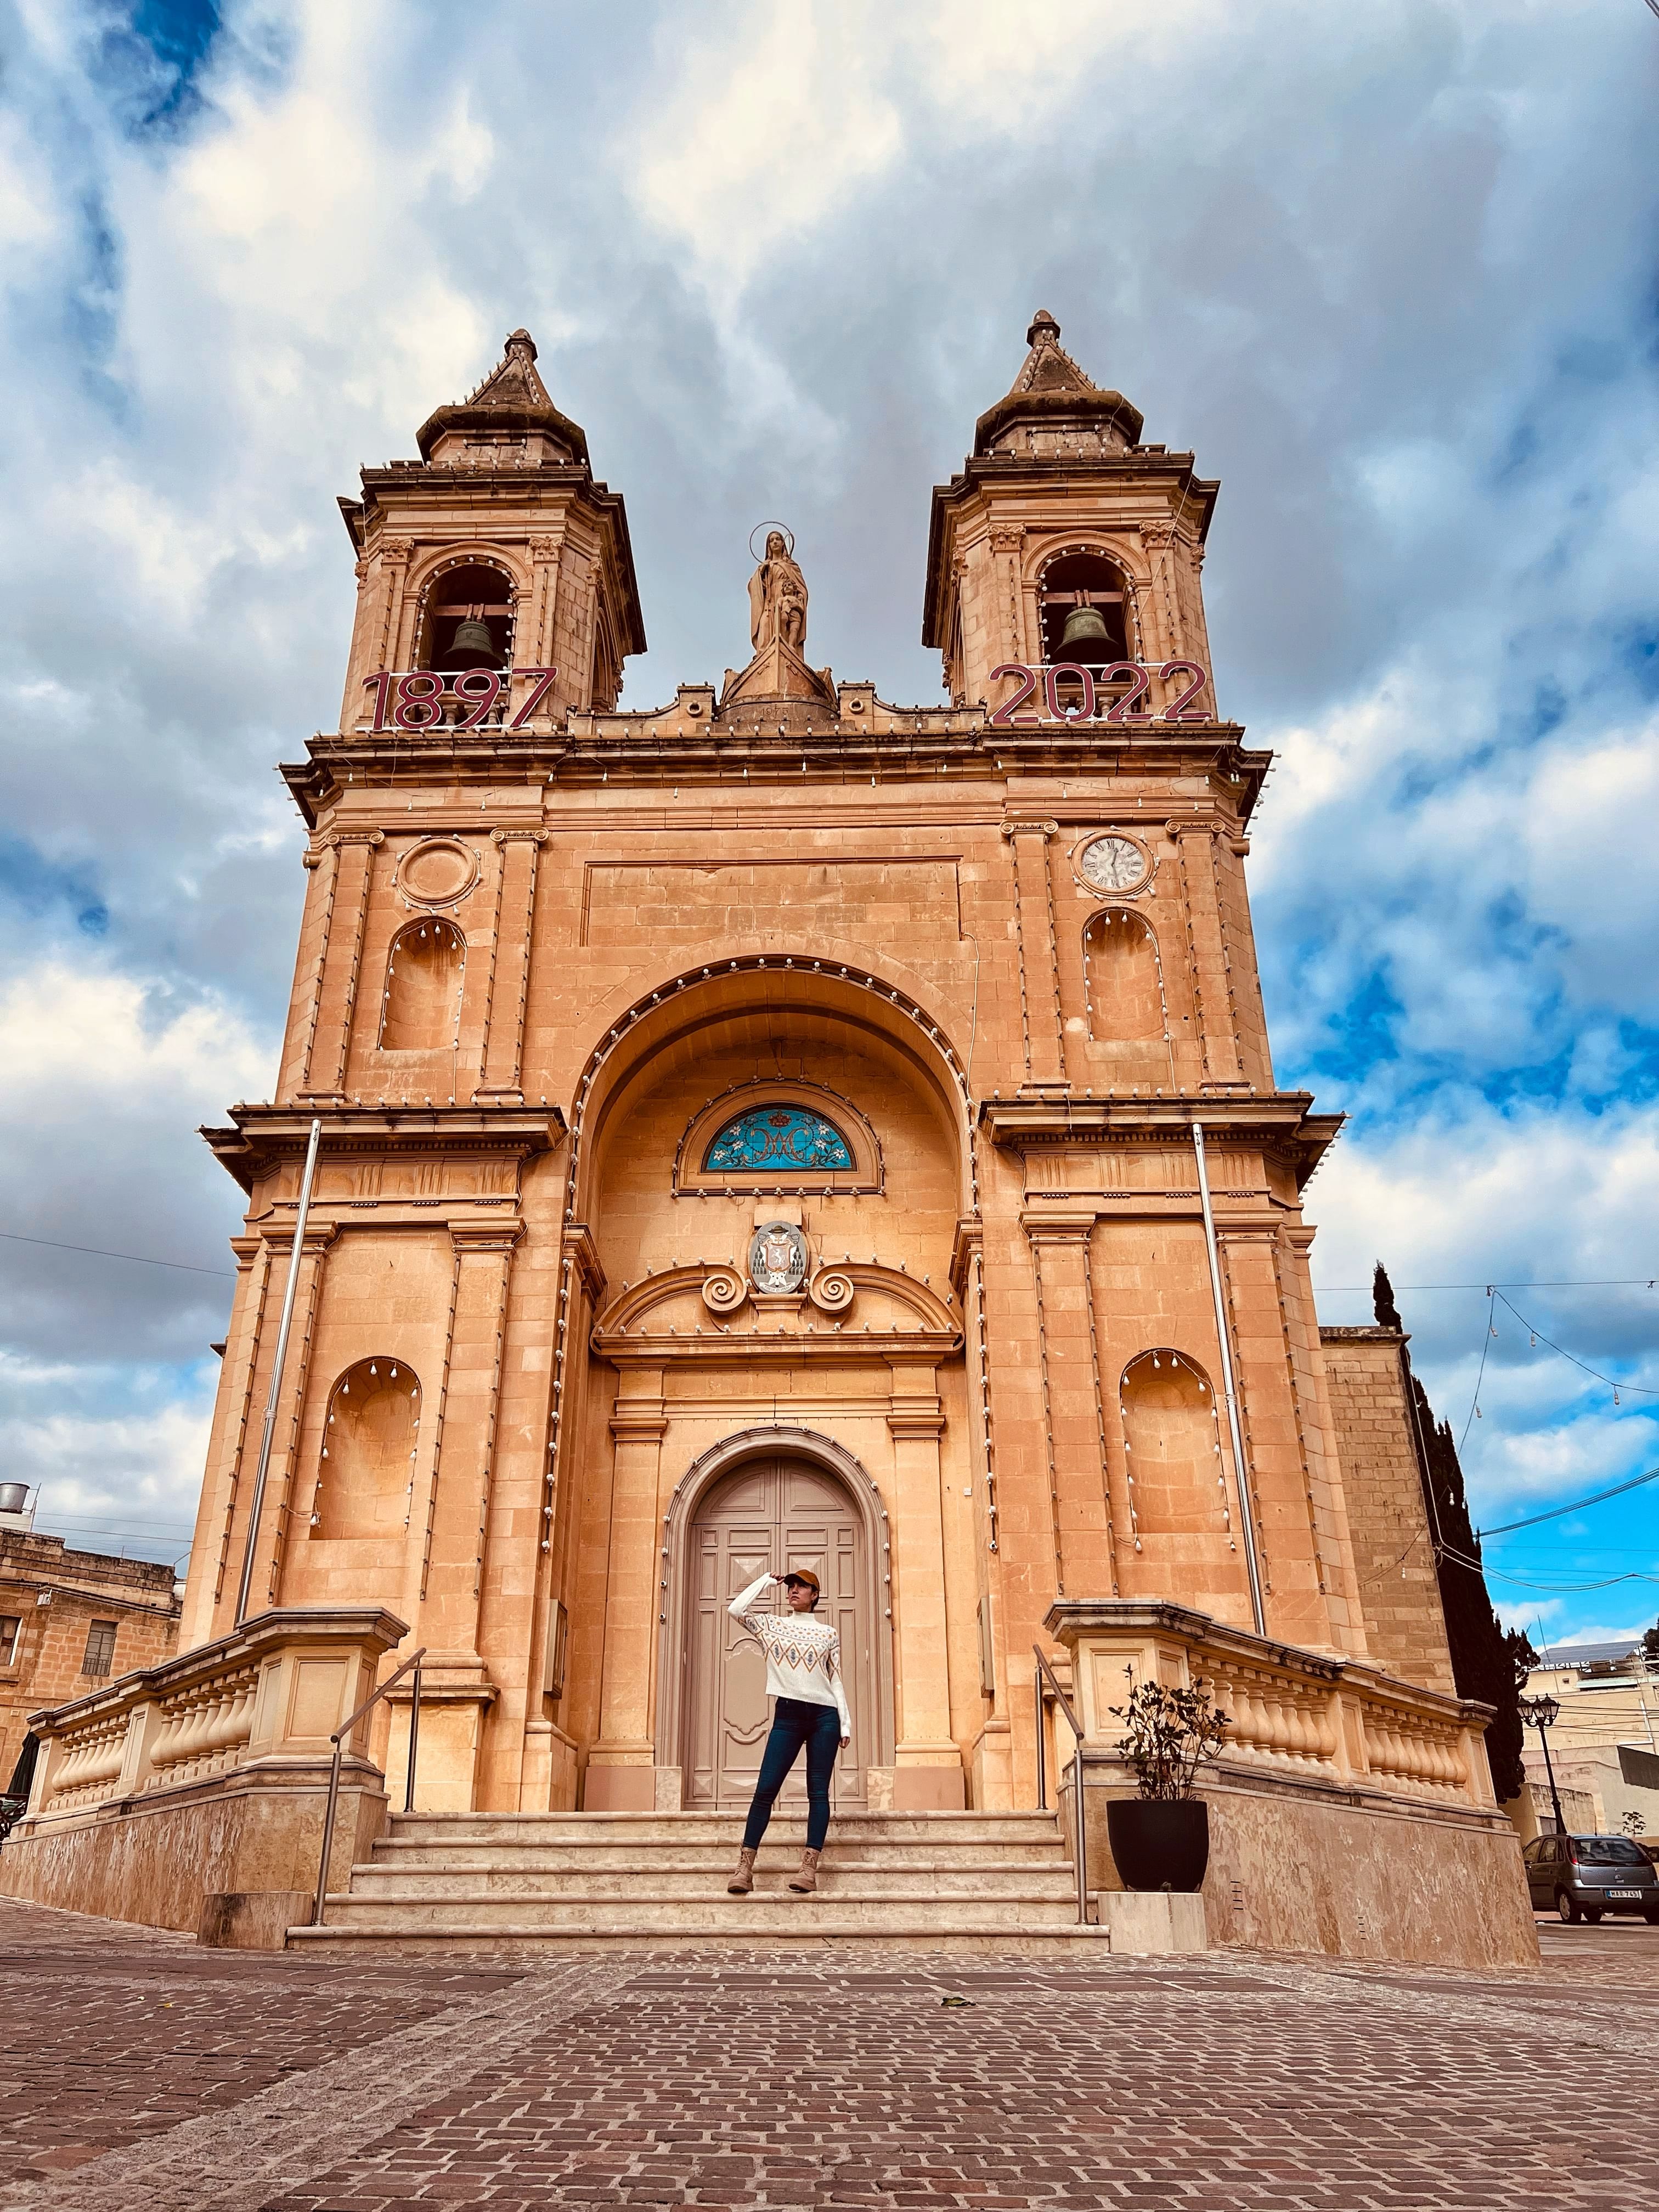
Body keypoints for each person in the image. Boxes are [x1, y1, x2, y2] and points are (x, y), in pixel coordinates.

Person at [725, 1567, 850, 1896]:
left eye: (802, 1586)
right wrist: (766, 1581)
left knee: (818, 1792)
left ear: (815, 1594)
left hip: (825, 1717)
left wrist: (845, 1721)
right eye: (791, 1585)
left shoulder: (828, 1633)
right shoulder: (771, 1625)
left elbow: (835, 1678)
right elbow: (736, 1609)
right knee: (765, 1790)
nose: (793, 1590)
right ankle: (744, 1868)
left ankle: (809, 1869)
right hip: (788, 1715)